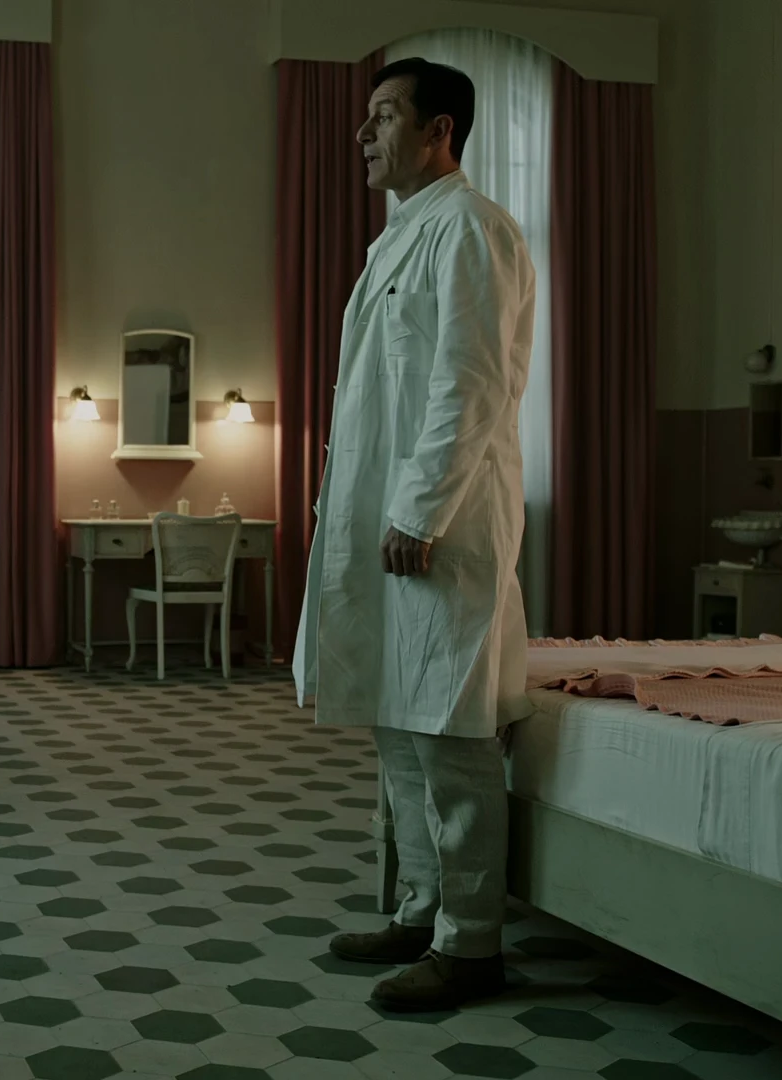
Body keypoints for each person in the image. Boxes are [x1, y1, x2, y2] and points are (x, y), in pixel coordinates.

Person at [290, 57, 535, 1012]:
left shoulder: (472, 229)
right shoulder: (400, 237)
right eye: (366, 117)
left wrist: (420, 511)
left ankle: (471, 945)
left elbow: (468, 384)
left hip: (441, 527)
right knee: (398, 721)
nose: (364, 133)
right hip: (387, 520)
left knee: (448, 728)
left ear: (440, 132)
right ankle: (421, 908)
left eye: (385, 116)